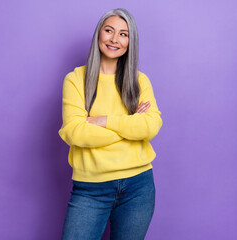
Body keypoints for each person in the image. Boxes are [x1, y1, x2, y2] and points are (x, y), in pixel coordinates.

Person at [58, 8, 163, 240]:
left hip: (139, 187)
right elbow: (76, 133)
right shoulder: (76, 80)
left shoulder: (139, 80)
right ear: (99, 34)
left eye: (124, 34)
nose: (115, 39)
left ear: (130, 41)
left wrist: (104, 121)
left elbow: (151, 126)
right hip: (90, 189)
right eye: (109, 31)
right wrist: (130, 126)